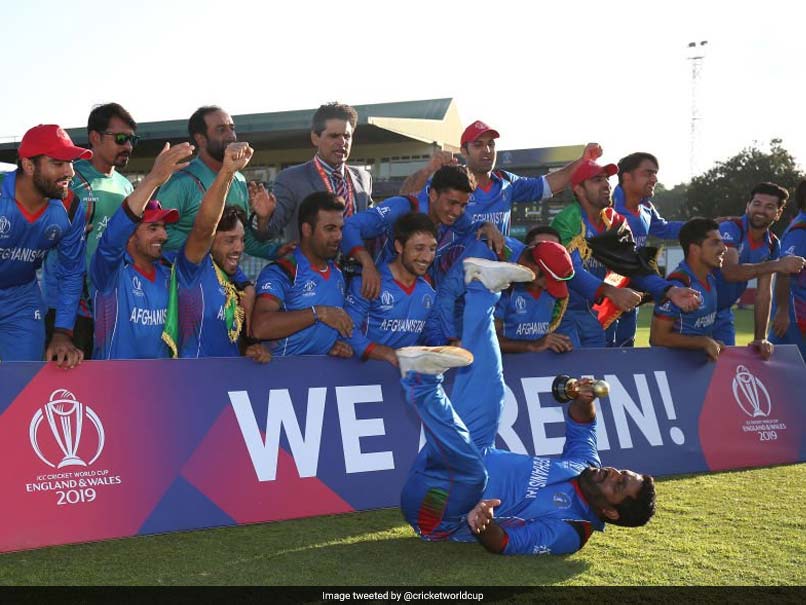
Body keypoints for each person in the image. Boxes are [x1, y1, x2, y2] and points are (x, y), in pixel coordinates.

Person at [397, 258, 656, 555]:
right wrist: (585, 400)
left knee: (472, 472)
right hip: (452, 466)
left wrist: (484, 523)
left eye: (619, 485)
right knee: (493, 396)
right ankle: (483, 288)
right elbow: (582, 426)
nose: (612, 473)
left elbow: (506, 543)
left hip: (437, 513)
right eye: (621, 472)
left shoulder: (571, 530)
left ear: (611, 512)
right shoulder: (585, 466)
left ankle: (422, 380)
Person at [551, 160, 699, 348]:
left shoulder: (615, 221)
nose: (606, 185)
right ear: (579, 189)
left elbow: (632, 265)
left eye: (607, 179)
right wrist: (611, 291)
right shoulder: (567, 220)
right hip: (560, 314)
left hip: (589, 314)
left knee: (597, 370)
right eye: (597, 180)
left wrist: (670, 290)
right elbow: (570, 271)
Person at [41, 103, 138, 358]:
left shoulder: (126, 187)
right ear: (95, 137)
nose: (127, 146)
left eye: (131, 139)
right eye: (121, 138)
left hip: (109, 304)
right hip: (65, 306)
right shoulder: (68, 179)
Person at [163, 142, 273, 363]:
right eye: (229, 240)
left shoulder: (237, 282)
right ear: (210, 241)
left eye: (241, 240)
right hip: (190, 384)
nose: (239, 248)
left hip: (224, 387)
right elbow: (204, 227)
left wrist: (249, 351)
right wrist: (227, 172)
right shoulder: (192, 268)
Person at [399, 120, 602, 236]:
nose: (487, 150)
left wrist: (582, 161)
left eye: (491, 144)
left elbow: (551, 183)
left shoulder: (506, 182)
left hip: (497, 279)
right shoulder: (452, 181)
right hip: (455, 275)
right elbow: (406, 197)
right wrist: (428, 170)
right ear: (464, 150)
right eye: (478, 145)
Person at [90, 142, 193, 359]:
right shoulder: (110, 273)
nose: (164, 236)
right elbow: (112, 239)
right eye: (153, 228)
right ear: (129, 232)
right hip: (114, 386)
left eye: (164, 228)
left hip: (159, 387)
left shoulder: (169, 272)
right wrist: (153, 179)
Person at [0, 124, 91, 367]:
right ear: (29, 166)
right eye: (58, 163)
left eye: (71, 162)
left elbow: (72, 271)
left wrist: (62, 332)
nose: (70, 171)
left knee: (23, 385)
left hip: (21, 299)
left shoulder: (70, 207)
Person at [342, 164, 503, 300]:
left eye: (463, 205)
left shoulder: (456, 217)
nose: (457, 211)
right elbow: (350, 226)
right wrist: (368, 265)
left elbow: (473, 229)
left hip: (412, 298)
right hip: (372, 292)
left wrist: (488, 226)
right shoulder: (400, 207)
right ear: (433, 194)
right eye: (452, 203)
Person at [156, 106, 278, 279]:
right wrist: (208, 243)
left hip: (225, 280)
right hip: (182, 280)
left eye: (232, 128)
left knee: (249, 295)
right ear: (201, 139)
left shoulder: (239, 180)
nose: (231, 136)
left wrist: (281, 248)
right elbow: (159, 232)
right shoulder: (181, 181)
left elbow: (246, 242)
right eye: (221, 130)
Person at [251, 191, 353, 357]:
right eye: (330, 229)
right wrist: (318, 313)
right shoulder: (283, 270)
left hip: (315, 379)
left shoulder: (338, 273)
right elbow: (260, 327)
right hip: (279, 378)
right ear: (307, 230)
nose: (338, 236)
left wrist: (329, 345)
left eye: (340, 229)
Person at [713, 182, 806, 359]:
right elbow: (730, 272)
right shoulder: (730, 228)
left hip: (723, 314)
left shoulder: (772, 244)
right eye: (757, 204)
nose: (761, 211)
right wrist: (776, 265)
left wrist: (760, 338)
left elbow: (764, 293)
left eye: (769, 207)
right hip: (693, 310)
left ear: (778, 214)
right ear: (748, 206)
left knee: (723, 372)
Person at [264, 102, 373, 242]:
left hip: (357, 263)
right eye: (334, 136)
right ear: (315, 138)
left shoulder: (364, 178)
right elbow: (268, 231)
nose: (342, 142)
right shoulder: (291, 179)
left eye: (347, 136)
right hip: (311, 263)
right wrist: (263, 217)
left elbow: (371, 228)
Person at [608, 152, 684, 348]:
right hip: (604, 294)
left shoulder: (646, 208)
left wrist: (702, 227)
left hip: (633, 288)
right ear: (626, 176)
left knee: (626, 347)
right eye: (648, 173)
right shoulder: (607, 208)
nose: (655, 179)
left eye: (655, 174)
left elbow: (665, 229)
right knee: (601, 350)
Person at [344, 213, 437, 366]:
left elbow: (431, 332)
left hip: (405, 382)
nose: (426, 257)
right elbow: (347, 331)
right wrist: (385, 354)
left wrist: (451, 346)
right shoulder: (370, 282)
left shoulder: (428, 290)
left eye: (432, 249)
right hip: (361, 379)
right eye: (419, 248)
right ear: (399, 246)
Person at [650, 218, 727, 361]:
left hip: (696, 368)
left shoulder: (711, 278)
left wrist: (711, 342)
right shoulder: (678, 284)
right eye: (715, 243)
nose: (724, 248)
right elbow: (657, 338)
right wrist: (702, 342)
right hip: (673, 369)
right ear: (695, 250)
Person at [494, 241, 575, 354]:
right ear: (534, 269)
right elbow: (486, 340)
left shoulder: (552, 294)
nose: (547, 288)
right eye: (549, 282)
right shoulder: (504, 288)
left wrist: (558, 343)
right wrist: (532, 346)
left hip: (538, 367)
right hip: (505, 366)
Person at [769, 180, 806, 356]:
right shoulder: (800, 231)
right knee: (787, 372)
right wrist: (782, 312)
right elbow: (784, 270)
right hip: (795, 317)